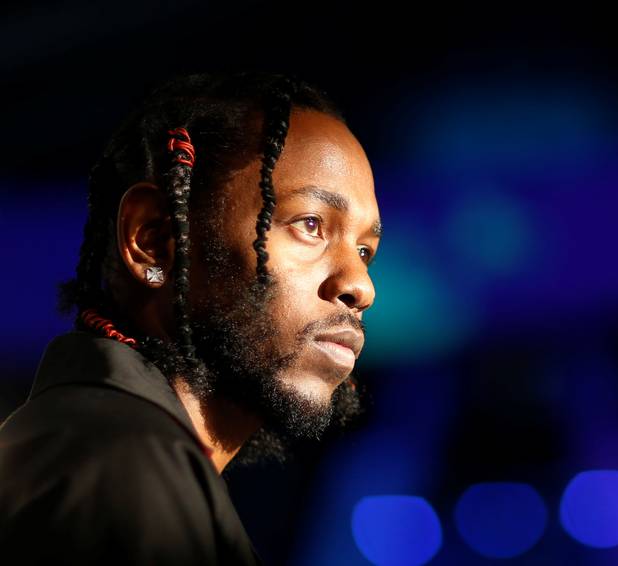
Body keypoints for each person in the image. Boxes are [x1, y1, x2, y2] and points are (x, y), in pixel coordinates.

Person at [0, 71, 382, 564]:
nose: (361, 286)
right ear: (153, 238)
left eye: (366, 250)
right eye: (310, 224)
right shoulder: (130, 463)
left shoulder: (92, 445)